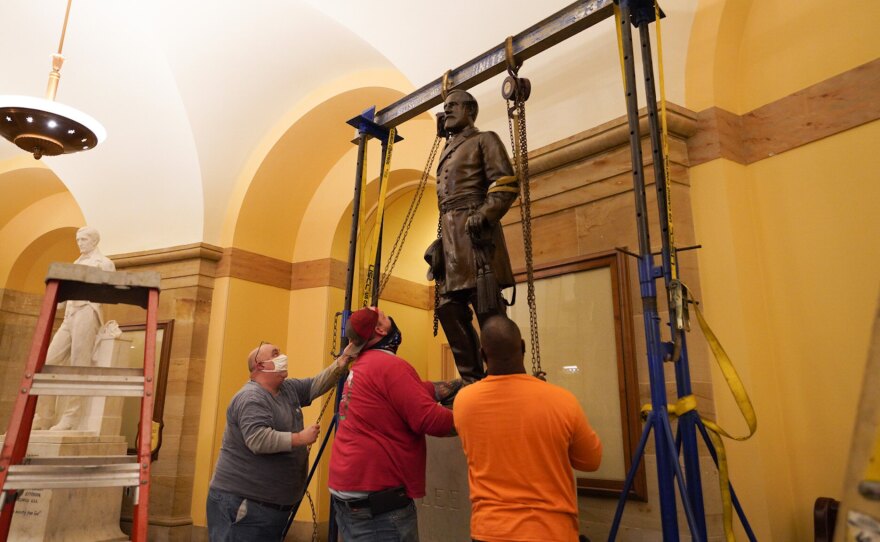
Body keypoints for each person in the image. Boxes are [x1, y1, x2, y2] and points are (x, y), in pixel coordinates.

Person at [454, 315, 603, 542]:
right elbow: (591, 461)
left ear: (482, 355)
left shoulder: (464, 402)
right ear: (523, 347)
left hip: (489, 532)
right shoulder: (562, 400)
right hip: (550, 533)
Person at [328, 306, 455, 541]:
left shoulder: (364, 365)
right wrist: (478, 415)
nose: (390, 318)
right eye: (385, 316)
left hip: (351, 500)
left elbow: (409, 391)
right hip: (378, 511)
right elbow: (431, 421)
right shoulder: (391, 366)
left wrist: (452, 386)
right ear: (380, 329)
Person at [206, 341, 355, 541]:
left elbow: (315, 385)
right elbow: (258, 439)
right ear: (260, 366)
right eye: (275, 354)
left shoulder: (287, 388)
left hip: (270, 506)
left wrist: (343, 360)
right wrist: (300, 438)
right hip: (245, 503)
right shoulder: (251, 397)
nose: (282, 356)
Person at [428, 89, 519, 383]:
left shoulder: (485, 139)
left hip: (475, 235)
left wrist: (486, 213)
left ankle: (504, 376)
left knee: (487, 307)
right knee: (448, 307)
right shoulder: (448, 147)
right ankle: (472, 379)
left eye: (453, 106)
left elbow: (505, 182)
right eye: (445, 106)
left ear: (470, 110)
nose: (447, 110)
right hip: (452, 237)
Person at [33, 226, 116, 431]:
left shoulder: (104, 263)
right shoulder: (75, 263)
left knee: (79, 365)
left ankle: (71, 417)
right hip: (69, 314)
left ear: (94, 241)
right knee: (48, 362)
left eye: (84, 239)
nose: (80, 243)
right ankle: (43, 416)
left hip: (87, 311)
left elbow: (111, 293)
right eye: (78, 239)